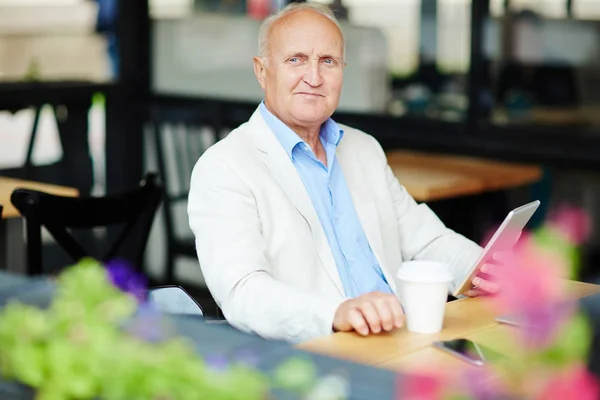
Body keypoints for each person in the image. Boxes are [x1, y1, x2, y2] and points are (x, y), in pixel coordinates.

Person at [188, 2, 498, 344]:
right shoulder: (224, 167)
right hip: (319, 356)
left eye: (328, 61)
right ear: (262, 71)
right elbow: (243, 292)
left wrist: (483, 269)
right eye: (296, 59)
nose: (314, 77)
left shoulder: (363, 148)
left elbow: (427, 240)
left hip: (401, 341)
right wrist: (335, 313)